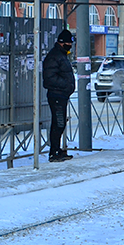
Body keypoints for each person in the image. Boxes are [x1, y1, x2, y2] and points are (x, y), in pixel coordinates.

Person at [42, 29, 76, 162]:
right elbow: (49, 78)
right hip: (56, 95)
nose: (70, 45)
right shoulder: (55, 56)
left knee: (59, 123)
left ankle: (56, 150)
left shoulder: (61, 55)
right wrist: (66, 85)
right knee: (59, 123)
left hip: (61, 95)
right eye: (68, 43)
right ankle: (54, 152)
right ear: (62, 42)